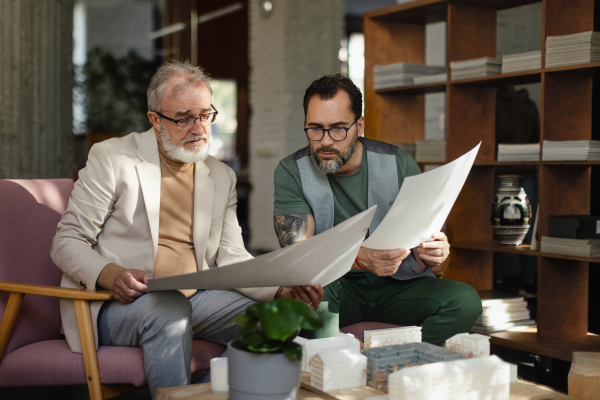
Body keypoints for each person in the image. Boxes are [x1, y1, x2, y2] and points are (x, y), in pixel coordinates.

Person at [51, 61, 323, 398]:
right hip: (118, 304)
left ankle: (221, 389)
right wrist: (111, 274)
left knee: (275, 316)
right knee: (169, 310)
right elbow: (67, 242)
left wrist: (281, 291)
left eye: (205, 115)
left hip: (195, 299)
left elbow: (231, 255)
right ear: (155, 119)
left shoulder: (221, 175)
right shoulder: (112, 158)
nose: (198, 128)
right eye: (183, 118)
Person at [273, 74, 482, 345]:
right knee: (315, 289)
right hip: (337, 289)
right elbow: (299, 256)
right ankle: (331, 372)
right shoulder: (291, 171)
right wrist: (360, 258)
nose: (325, 141)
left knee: (464, 301)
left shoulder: (397, 163)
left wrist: (437, 256)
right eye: (315, 129)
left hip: (399, 287)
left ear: (359, 126)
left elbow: (433, 255)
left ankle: (400, 367)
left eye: (338, 128)